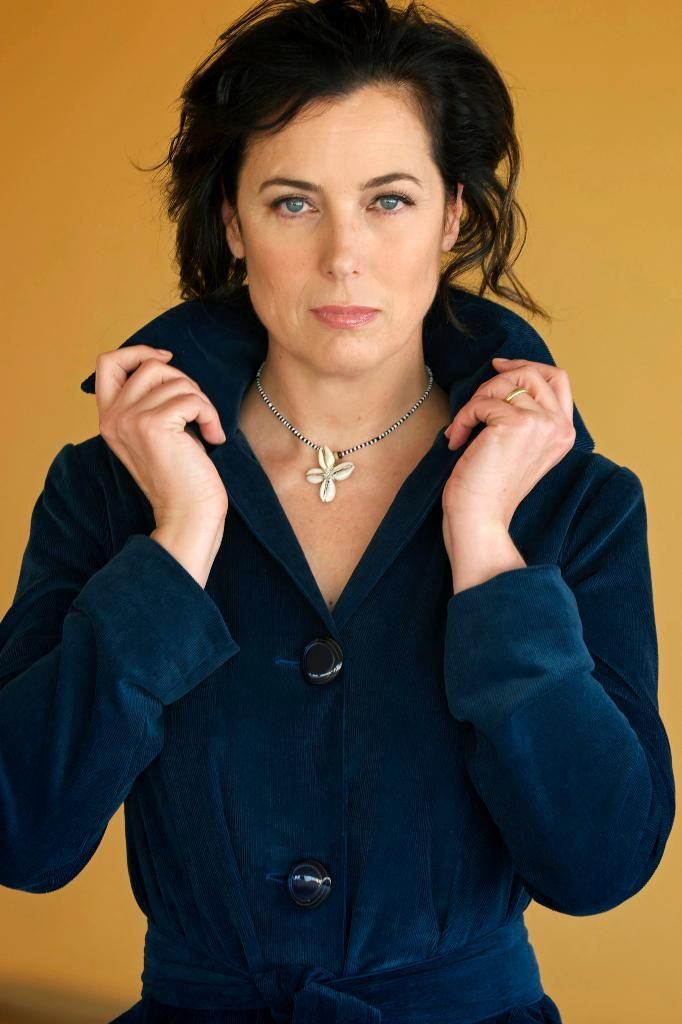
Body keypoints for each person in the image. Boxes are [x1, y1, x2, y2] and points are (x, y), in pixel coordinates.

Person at [0, 1, 675, 1022]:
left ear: (453, 216)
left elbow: (599, 863)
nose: (343, 255)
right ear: (233, 222)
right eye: (292, 203)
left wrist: (486, 546)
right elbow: (22, 836)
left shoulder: (577, 500)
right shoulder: (106, 486)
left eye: (389, 199)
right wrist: (179, 536)